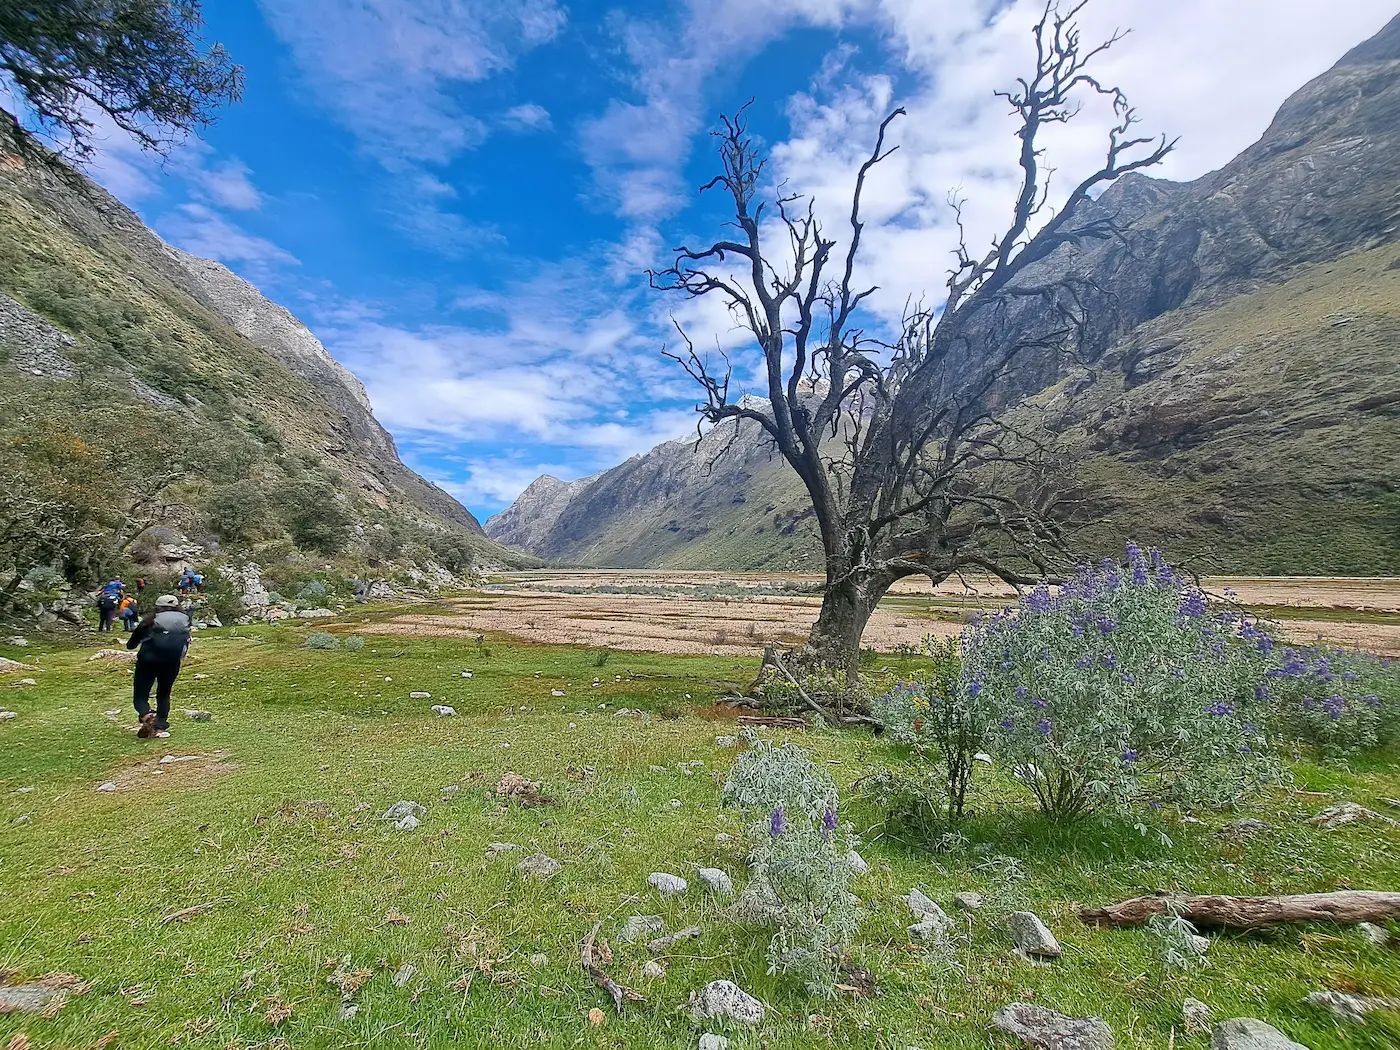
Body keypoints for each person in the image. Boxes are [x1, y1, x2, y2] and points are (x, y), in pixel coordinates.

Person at [126, 594, 192, 739]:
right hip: (172, 662)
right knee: (164, 693)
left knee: (140, 695)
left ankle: (147, 714)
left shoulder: (151, 620)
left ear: (157, 606)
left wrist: (134, 643)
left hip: (148, 661)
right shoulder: (184, 620)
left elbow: (131, 644)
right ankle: (160, 727)